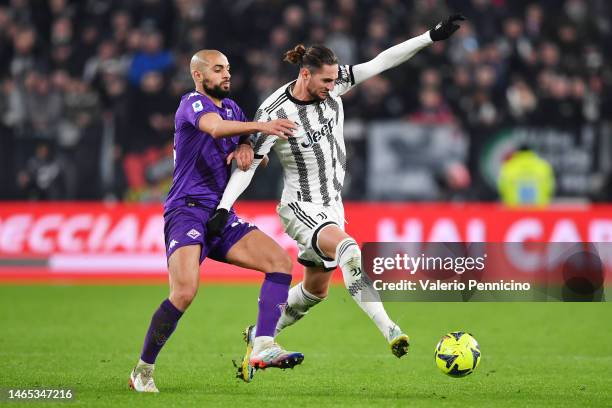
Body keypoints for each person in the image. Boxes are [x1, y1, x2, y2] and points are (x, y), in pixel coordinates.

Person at [207, 15, 466, 382]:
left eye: (335, 79)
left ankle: (261, 335)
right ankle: (389, 328)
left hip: (332, 206)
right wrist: (223, 206)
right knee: (350, 249)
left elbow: (381, 62)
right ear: (305, 75)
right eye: (326, 80)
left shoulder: (335, 82)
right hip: (300, 207)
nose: (334, 85)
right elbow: (249, 164)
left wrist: (429, 37)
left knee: (316, 291)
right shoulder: (274, 112)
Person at [129, 49, 303, 393]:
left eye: (228, 68)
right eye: (218, 69)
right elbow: (215, 129)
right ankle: (143, 369)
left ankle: (264, 344)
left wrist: (247, 150)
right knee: (184, 292)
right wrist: (261, 126)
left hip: (221, 212)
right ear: (198, 75)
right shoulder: (191, 104)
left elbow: (250, 156)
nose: (226, 74)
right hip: (186, 210)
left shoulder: (234, 108)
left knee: (280, 263)